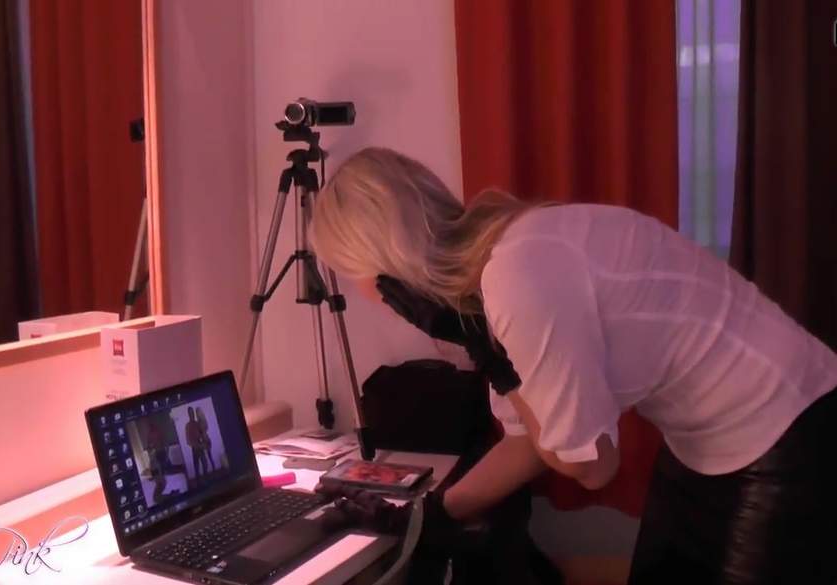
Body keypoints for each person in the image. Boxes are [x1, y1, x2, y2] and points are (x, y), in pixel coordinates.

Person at [309, 147, 837, 584]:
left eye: (355, 275)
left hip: (784, 428)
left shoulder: (519, 271)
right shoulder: (505, 261)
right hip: (704, 440)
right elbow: (536, 441)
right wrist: (427, 514)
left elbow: (591, 465)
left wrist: (495, 363)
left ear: (385, 266)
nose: (365, 294)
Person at [185, 406, 208, 481]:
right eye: (190, 413)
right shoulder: (188, 425)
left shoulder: (197, 423)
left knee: (205, 463)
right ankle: (198, 482)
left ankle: (206, 479)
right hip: (194, 448)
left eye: (192, 412)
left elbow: (203, 433)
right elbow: (188, 440)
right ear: (188, 414)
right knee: (196, 467)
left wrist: (204, 442)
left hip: (200, 446)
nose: (192, 414)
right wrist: (196, 445)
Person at [196, 406, 216, 472]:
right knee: (205, 457)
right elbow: (200, 431)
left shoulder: (203, 420)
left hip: (206, 439)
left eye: (198, 412)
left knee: (209, 456)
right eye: (197, 412)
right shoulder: (199, 422)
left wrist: (202, 432)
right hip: (203, 440)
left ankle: (213, 468)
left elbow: (205, 429)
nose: (198, 414)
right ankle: (210, 470)